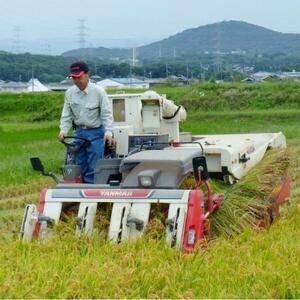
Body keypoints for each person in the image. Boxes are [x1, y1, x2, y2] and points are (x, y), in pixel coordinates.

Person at [58, 61, 114, 183]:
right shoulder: (70, 93)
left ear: (87, 74)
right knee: (78, 165)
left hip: (96, 134)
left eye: (79, 77)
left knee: (94, 167)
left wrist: (109, 132)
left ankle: (91, 192)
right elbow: (66, 115)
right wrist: (63, 130)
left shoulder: (99, 92)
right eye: (73, 78)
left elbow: (106, 114)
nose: (76, 80)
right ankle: (78, 190)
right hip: (79, 133)